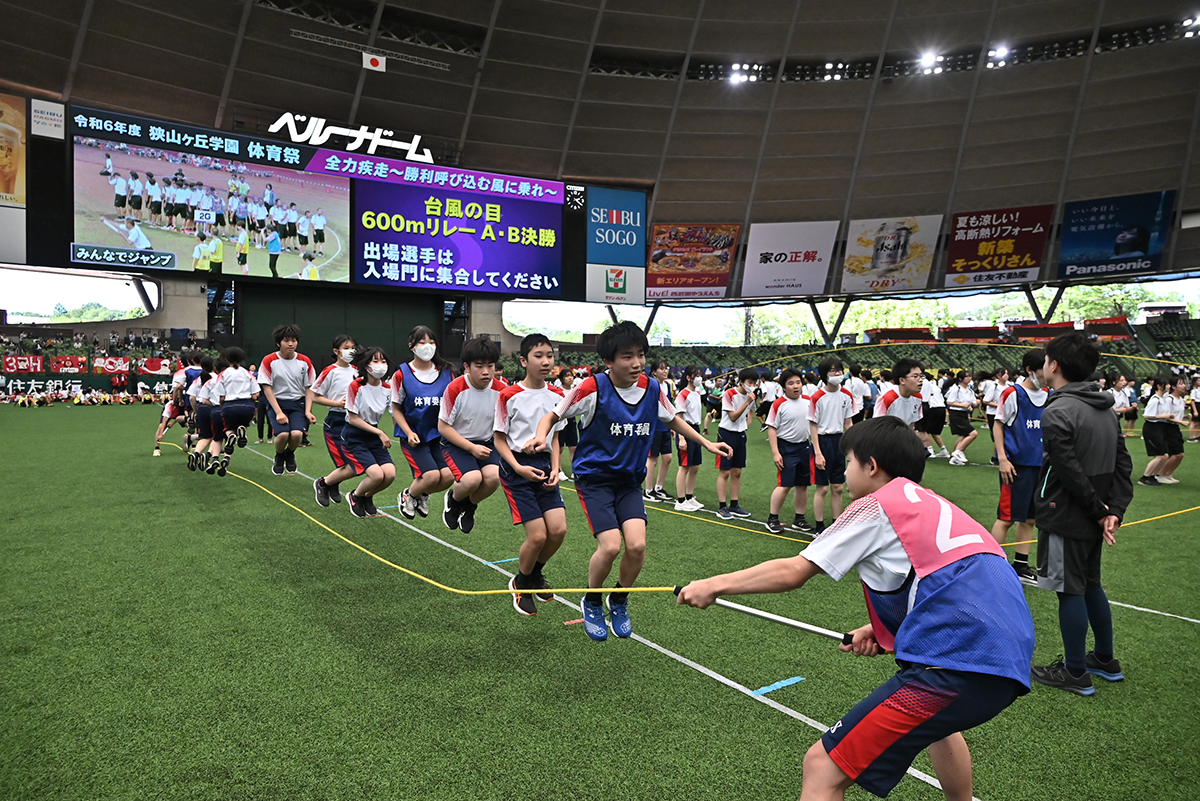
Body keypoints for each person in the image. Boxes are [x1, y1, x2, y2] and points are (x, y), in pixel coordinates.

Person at [677, 416, 1035, 801]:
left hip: (959, 663)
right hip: (1003, 658)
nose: (844, 472)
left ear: (872, 466)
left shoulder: (877, 505)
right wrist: (885, 632)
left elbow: (794, 571)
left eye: (847, 462)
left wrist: (713, 585)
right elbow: (948, 583)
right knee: (940, 726)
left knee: (822, 765)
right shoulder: (933, 504)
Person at [532, 321, 730, 640]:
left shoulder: (653, 389)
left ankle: (619, 598)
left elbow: (672, 418)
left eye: (640, 355)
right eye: (627, 356)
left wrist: (705, 443)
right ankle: (592, 600)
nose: (636, 363)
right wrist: (541, 437)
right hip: (595, 481)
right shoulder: (591, 388)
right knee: (610, 546)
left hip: (629, 483)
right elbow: (552, 416)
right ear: (609, 361)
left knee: (636, 546)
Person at [1032, 332, 1133, 696]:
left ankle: (1075, 671)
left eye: (1045, 361)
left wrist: (1099, 510)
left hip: (1067, 515)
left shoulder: (1058, 410)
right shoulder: (1105, 408)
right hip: (1094, 515)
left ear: (1054, 365)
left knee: (1069, 590)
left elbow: (1068, 472)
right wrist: (1113, 511)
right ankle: (1104, 658)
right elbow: (1124, 465)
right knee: (1091, 584)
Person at [492, 333, 568, 617]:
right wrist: (518, 467)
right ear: (523, 361)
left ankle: (533, 574)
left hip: (546, 466)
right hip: (516, 469)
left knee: (558, 530)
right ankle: (521, 583)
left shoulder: (559, 395)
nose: (546, 361)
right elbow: (499, 440)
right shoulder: (508, 395)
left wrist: (557, 468)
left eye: (549, 355)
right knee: (537, 537)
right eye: (539, 356)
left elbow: (556, 438)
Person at [438, 335, 506, 533]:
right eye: (479, 365)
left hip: (487, 443)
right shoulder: (455, 389)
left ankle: (469, 507)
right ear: (466, 366)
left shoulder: (503, 391)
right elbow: (443, 427)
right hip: (457, 443)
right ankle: (454, 499)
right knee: (472, 479)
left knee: (493, 478)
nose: (486, 371)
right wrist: (471, 448)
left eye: (490, 365)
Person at [991, 349, 1048, 586]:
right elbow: (998, 425)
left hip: (1041, 466)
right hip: (1017, 467)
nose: (1048, 372)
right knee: (1007, 518)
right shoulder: (1013, 393)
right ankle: (992, 566)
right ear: (1030, 370)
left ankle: (1021, 565)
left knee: (1030, 519)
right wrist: (1003, 458)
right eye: (1043, 368)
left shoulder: (1050, 394)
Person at [392, 325, 454, 520]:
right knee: (431, 476)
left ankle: (421, 494)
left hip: (439, 435)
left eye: (432, 342)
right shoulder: (401, 374)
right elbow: (396, 409)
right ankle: (408, 496)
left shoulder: (446, 372)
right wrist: (408, 432)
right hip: (414, 437)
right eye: (422, 342)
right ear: (412, 346)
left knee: (448, 477)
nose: (428, 346)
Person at [341, 347, 396, 518]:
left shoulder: (387, 388)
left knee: (390, 475)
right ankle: (355, 496)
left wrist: (408, 433)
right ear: (366, 365)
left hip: (373, 435)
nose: (381, 365)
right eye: (376, 361)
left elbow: (395, 414)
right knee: (376, 475)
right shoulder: (355, 386)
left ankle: (367, 496)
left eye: (383, 361)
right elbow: (353, 418)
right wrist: (380, 433)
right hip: (354, 435)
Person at [258, 323, 316, 476]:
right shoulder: (269, 360)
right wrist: (278, 412)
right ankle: (279, 456)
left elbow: (309, 387)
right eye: (286, 340)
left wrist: (308, 411)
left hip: (298, 403)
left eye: (294, 340)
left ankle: (289, 454)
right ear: (278, 343)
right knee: (283, 435)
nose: (291, 344)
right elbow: (267, 387)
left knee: (297, 435)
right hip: (277, 402)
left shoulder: (305, 361)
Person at [809, 358, 857, 534]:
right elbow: (813, 425)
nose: (837, 374)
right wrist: (818, 453)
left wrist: (851, 446)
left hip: (839, 441)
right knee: (822, 488)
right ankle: (819, 526)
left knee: (838, 487)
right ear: (824, 375)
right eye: (833, 371)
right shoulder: (817, 397)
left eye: (839, 370)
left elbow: (848, 421)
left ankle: (836, 525)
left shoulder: (846, 395)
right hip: (822, 441)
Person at [312, 335, 359, 508]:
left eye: (353, 347)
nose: (351, 351)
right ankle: (324, 483)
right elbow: (314, 395)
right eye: (346, 347)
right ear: (336, 351)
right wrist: (336, 403)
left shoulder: (357, 370)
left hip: (355, 421)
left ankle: (331, 483)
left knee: (357, 462)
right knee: (350, 464)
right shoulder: (329, 371)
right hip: (336, 420)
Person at [766, 368, 814, 535]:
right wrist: (776, 453)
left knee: (803, 485)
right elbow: (771, 428)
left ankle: (799, 518)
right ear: (784, 387)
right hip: (786, 448)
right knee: (784, 485)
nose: (796, 386)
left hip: (804, 447)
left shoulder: (808, 400)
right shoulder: (778, 404)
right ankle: (772, 519)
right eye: (791, 383)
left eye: (798, 382)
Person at [716, 367, 760, 519]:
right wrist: (747, 401)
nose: (752, 385)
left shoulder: (751, 395)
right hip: (726, 434)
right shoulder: (729, 393)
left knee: (737, 471)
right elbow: (733, 417)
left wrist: (749, 418)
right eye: (750, 382)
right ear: (741, 381)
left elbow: (752, 408)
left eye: (755, 382)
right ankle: (722, 506)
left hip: (740, 434)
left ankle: (734, 504)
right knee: (725, 471)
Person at [1139, 375, 1188, 485]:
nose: (1169, 386)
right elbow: (1147, 416)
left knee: (1164, 455)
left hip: (1159, 427)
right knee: (1161, 455)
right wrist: (1164, 416)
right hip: (1152, 428)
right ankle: (1145, 477)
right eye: (1167, 384)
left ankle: (1152, 476)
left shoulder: (1164, 399)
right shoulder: (1155, 399)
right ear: (1159, 386)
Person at [672, 365, 706, 512]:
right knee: (684, 467)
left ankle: (689, 496)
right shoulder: (682, 395)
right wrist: (681, 438)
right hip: (685, 430)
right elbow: (678, 418)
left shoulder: (697, 393)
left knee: (695, 466)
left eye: (700, 375)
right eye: (696, 375)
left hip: (696, 430)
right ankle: (680, 500)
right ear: (688, 377)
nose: (699, 378)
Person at [216, 346, 258, 459]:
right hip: (247, 406)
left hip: (230, 405)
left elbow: (221, 397)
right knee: (243, 424)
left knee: (229, 429)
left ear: (226, 359)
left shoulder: (223, 374)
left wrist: (222, 407)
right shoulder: (248, 373)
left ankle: (231, 436)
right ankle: (242, 429)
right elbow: (255, 394)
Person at [643, 358, 674, 503]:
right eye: (661, 368)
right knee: (653, 459)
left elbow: (669, 407)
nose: (665, 370)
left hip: (665, 427)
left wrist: (672, 426)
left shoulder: (667, 385)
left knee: (667, 458)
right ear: (654, 372)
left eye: (666, 368)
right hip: (653, 427)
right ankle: (648, 490)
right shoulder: (651, 386)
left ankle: (659, 488)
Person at [873, 358, 923, 431]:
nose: (920, 380)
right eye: (915, 376)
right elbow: (876, 425)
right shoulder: (887, 399)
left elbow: (912, 424)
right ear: (902, 380)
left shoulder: (918, 397)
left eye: (921, 376)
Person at [944, 371, 978, 465]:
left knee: (963, 435)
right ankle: (958, 452)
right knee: (973, 434)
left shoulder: (970, 389)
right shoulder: (956, 389)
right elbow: (949, 402)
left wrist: (973, 404)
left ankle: (954, 458)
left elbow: (973, 402)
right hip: (956, 414)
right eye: (966, 377)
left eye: (970, 376)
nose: (969, 378)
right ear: (960, 379)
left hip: (964, 414)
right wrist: (962, 405)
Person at [918, 371, 950, 458]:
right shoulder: (934, 386)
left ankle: (930, 450)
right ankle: (944, 451)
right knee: (934, 432)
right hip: (941, 407)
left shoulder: (924, 384)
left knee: (924, 430)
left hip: (932, 407)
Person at [555, 367, 578, 481]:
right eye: (567, 376)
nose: (570, 378)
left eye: (571, 375)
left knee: (573, 446)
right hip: (561, 421)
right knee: (560, 447)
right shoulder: (558, 391)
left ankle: (575, 470)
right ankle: (559, 470)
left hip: (571, 419)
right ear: (562, 379)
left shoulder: (576, 390)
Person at [1189, 374, 1200, 443]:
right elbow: (1192, 401)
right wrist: (1195, 411)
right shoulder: (1193, 391)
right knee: (1194, 423)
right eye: (1198, 381)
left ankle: (1196, 436)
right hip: (1196, 405)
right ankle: (1191, 437)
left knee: (1199, 423)